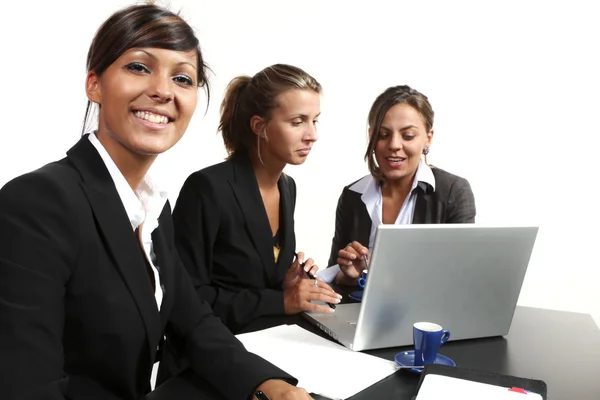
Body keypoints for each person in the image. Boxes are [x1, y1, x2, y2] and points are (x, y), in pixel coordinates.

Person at [0, 4, 312, 400]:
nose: (163, 91)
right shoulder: (38, 202)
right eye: (138, 67)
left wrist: (267, 386)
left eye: (182, 78)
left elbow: (193, 318)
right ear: (94, 83)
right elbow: (28, 387)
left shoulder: (152, 207)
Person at [169, 64, 342, 333]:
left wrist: (286, 282)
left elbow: (253, 279)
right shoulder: (207, 188)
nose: (312, 135)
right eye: (297, 122)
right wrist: (281, 300)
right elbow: (186, 297)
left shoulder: (287, 187)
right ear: (259, 126)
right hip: (214, 350)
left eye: (314, 120)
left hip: (271, 339)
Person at [327, 85, 476, 285]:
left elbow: (463, 278)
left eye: (408, 136)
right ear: (372, 136)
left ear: (427, 138)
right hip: (356, 314)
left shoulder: (452, 192)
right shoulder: (352, 195)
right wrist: (348, 275)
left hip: (426, 314)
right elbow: (333, 279)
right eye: (383, 134)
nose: (394, 145)